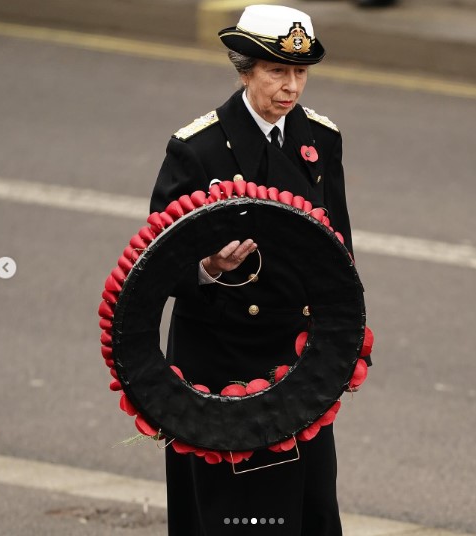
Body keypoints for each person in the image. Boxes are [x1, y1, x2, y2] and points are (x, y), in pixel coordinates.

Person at [150, 5, 367, 535]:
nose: (290, 86)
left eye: (300, 72)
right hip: (222, 361)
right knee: (235, 513)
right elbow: (154, 265)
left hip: (295, 359)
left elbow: (339, 246)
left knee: (309, 504)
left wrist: (346, 332)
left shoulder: (321, 138)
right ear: (244, 69)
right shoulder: (197, 148)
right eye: (276, 71)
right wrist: (206, 267)